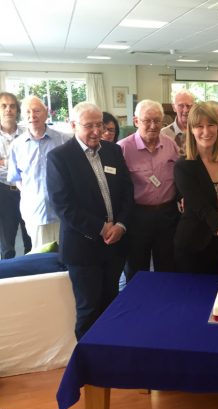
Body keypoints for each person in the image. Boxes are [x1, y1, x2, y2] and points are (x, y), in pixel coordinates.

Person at [47, 102, 133, 340]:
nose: (97, 131)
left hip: (115, 245)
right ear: (74, 126)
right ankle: (88, 363)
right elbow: (63, 205)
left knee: (111, 303)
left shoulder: (113, 151)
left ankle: (110, 353)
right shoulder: (59, 158)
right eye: (89, 126)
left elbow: (127, 192)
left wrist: (121, 226)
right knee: (89, 309)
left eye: (100, 124)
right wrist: (101, 228)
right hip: (83, 249)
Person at [174, 102, 218, 274]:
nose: (206, 131)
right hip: (195, 244)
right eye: (199, 126)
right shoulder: (184, 166)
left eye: (211, 125)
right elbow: (203, 209)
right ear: (191, 130)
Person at [119, 99, 180, 280]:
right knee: (137, 269)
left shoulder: (171, 145)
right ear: (136, 121)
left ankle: (165, 305)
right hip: (137, 217)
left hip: (167, 215)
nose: (153, 126)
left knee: (167, 267)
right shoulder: (122, 148)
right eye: (147, 121)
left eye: (158, 120)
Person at [7, 96, 70, 249]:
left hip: (64, 211)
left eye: (36, 111)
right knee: (41, 258)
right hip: (35, 213)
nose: (32, 116)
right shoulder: (17, 145)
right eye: (27, 112)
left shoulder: (63, 140)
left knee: (67, 257)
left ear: (46, 113)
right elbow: (17, 179)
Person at [0, 92, 31, 259]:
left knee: (31, 238)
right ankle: (6, 282)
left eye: (12, 106)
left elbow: (31, 162)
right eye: (3, 106)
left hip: (26, 190)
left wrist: (4, 162)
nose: (8, 109)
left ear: (17, 110)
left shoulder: (28, 133)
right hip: (3, 190)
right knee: (7, 242)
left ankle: (35, 278)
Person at [161, 89, 195, 155]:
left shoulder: (200, 132)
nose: (185, 110)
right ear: (174, 107)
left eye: (188, 106)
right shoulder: (163, 134)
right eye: (181, 106)